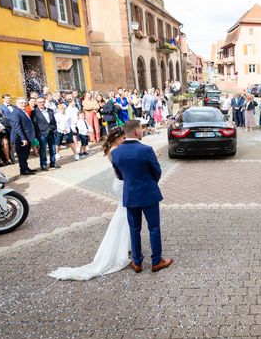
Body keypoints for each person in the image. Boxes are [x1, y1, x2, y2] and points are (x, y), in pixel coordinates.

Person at [49, 127, 131, 280]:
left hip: (119, 183)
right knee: (124, 215)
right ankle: (120, 247)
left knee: (125, 215)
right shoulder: (114, 151)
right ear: (117, 137)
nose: (125, 140)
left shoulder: (114, 148)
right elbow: (122, 168)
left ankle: (126, 245)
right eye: (123, 138)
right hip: (121, 184)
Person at [111, 120, 173, 273]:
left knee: (134, 228)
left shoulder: (116, 152)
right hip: (148, 194)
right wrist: (150, 184)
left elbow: (120, 176)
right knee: (153, 227)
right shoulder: (146, 150)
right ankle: (156, 261)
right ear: (137, 132)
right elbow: (157, 171)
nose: (143, 132)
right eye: (141, 130)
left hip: (130, 194)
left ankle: (137, 262)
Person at [8, 98, 37, 175]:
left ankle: (25, 168)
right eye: (21, 103)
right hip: (20, 138)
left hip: (27, 136)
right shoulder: (15, 112)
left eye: (24, 102)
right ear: (17, 104)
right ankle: (23, 170)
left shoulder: (23, 111)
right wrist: (23, 138)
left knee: (25, 154)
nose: (23, 104)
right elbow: (16, 126)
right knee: (22, 155)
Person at [31, 97, 58, 171]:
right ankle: (43, 165)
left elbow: (54, 121)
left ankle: (53, 163)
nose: (42, 103)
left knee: (53, 149)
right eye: (39, 102)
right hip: (42, 133)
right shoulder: (34, 112)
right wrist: (37, 134)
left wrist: (55, 129)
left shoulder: (50, 110)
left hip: (51, 132)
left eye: (43, 102)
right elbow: (34, 124)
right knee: (42, 150)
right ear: (37, 103)